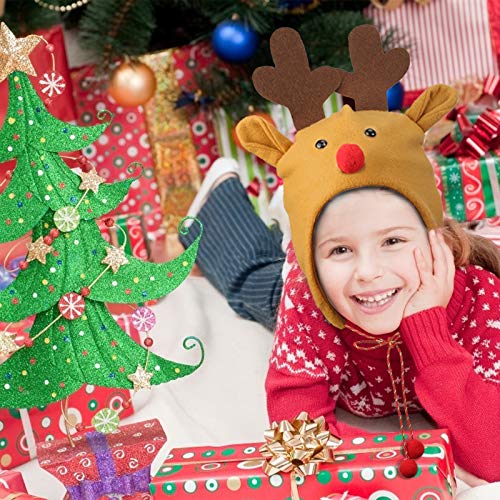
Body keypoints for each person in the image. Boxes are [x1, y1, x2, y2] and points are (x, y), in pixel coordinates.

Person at [181, 25, 500, 483]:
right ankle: (219, 205)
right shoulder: (309, 295)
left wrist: (430, 330)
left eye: (393, 241)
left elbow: (492, 456)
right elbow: (299, 441)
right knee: (256, 282)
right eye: (341, 249)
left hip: (406, 290)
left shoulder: (480, 301)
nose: (369, 271)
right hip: (321, 292)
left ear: (434, 238)